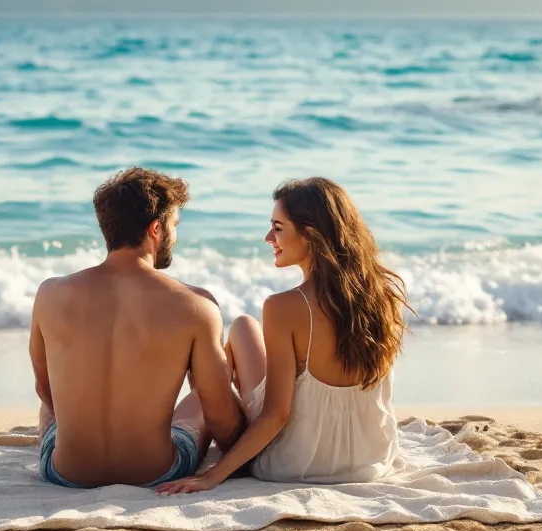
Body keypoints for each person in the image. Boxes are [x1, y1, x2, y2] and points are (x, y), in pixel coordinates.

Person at [157, 177, 410, 493]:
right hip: (368, 460)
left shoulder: (284, 307)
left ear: (310, 234)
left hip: (294, 464)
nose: (268, 238)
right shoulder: (384, 296)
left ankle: (205, 418)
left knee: (235, 338)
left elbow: (276, 415)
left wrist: (213, 476)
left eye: (277, 228)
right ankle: (209, 408)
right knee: (244, 326)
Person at [30, 167, 246, 488]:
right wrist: (241, 457)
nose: (175, 236)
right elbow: (220, 417)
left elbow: (45, 389)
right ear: (156, 229)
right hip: (155, 473)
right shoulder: (195, 306)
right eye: (174, 226)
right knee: (205, 397)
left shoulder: (50, 293)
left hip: (66, 474)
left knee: (48, 412)